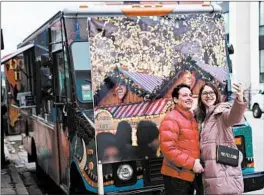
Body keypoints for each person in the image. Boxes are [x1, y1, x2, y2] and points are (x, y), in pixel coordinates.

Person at [196, 82, 246, 195]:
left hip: (222, 170)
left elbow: (235, 116)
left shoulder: (221, 112)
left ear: (216, 95)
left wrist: (239, 99)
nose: (208, 96)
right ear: (200, 97)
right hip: (207, 171)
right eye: (205, 93)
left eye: (211, 92)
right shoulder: (200, 117)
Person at [159, 83, 204, 195]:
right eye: (184, 95)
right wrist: (192, 164)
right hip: (176, 176)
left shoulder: (192, 118)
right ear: (175, 99)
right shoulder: (171, 118)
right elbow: (168, 149)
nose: (189, 98)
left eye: (190, 95)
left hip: (188, 175)